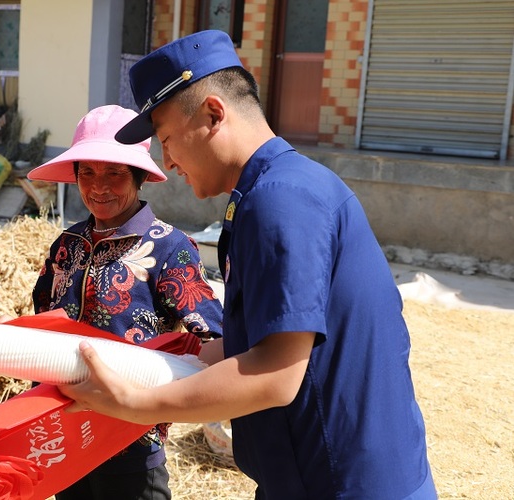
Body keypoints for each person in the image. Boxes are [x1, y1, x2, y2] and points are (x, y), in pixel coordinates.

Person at [59, 31, 437, 499]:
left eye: (168, 138)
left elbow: (275, 375)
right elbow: (251, 341)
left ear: (214, 114)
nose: (168, 161)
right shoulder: (268, 193)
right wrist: (165, 356)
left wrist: (137, 404)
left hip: (344, 484)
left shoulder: (281, 201)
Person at [26, 104, 224, 500]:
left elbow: (214, 335)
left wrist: (166, 402)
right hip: (68, 431)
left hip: (132, 440)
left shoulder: (168, 247)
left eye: (115, 173)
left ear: (138, 177)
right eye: (88, 173)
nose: (99, 187)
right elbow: (44, 322)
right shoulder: (67, 245)